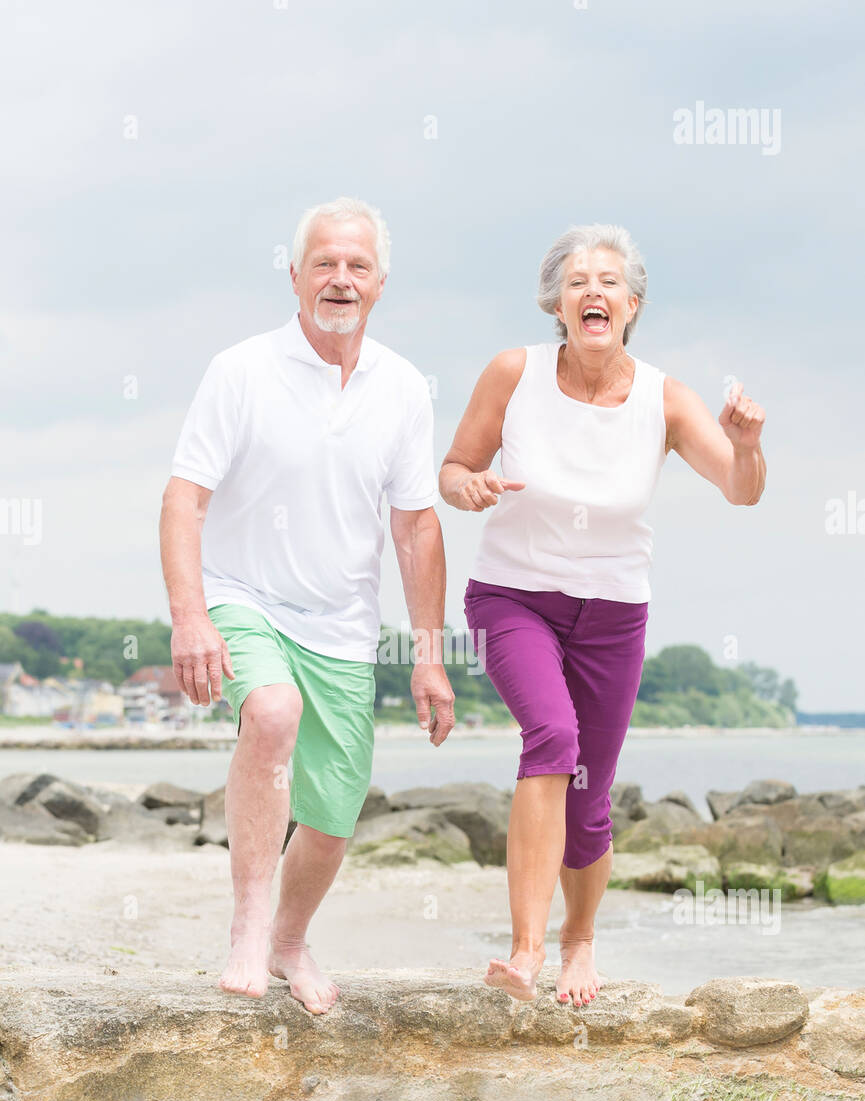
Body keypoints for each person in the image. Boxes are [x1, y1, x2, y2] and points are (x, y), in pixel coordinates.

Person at [439, 223, 766, 1006]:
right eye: (577, 280)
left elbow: (741, 489)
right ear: (556, 301)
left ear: (632, 303)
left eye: (608, 280)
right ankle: (522, 951)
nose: (593, 291)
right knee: (550, 737)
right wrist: (470, 488)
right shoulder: (512, 374)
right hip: (513, 597)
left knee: (590, 799)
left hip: (614, 615)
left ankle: (577, 944)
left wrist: (745, 445)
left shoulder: (663, 397)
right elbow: (452, 470)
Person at [160, 196, 454, 1011]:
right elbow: (182, 500)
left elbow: (416, 529)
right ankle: (249, 925)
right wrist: (191, 617)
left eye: (357, 265)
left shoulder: (401, 388)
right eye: (323, 262)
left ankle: (290, 939)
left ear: (381, 284)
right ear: (294, 275)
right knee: (273, 715)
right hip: (244, 597)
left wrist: (427, 659)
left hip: (344, 625)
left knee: (332, 810)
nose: (340, 278)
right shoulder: (241, 370)